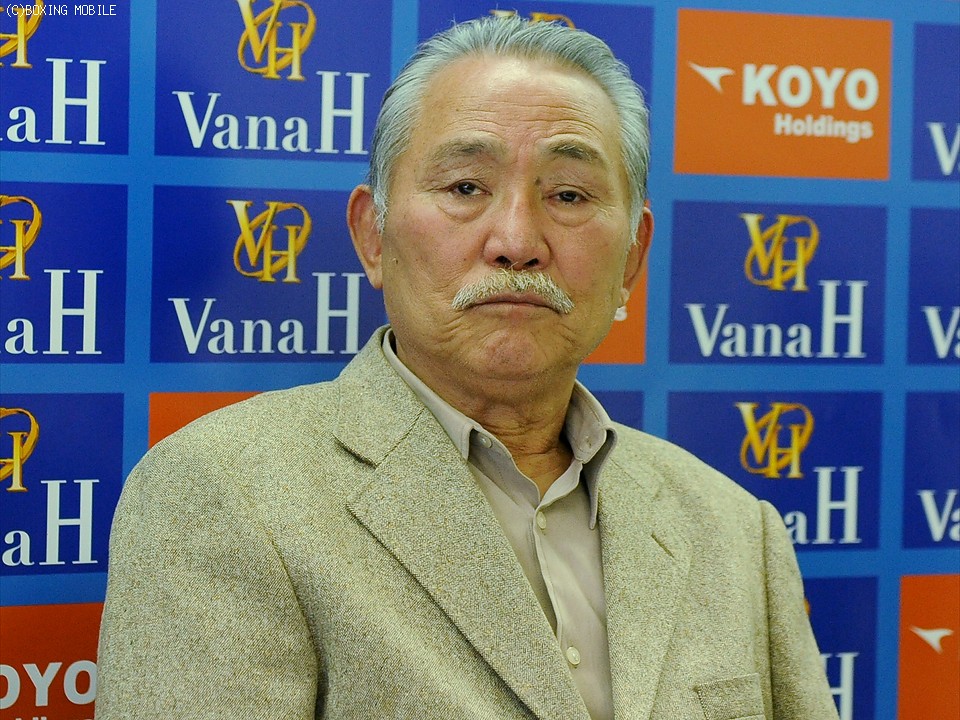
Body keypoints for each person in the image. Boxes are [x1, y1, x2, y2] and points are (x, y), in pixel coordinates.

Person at [95, 16, 839, 720]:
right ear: (373, 236)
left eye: (569, 195)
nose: (517, 241)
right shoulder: (225, 492)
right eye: (465, 188)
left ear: (632, 259)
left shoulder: (733, 527)